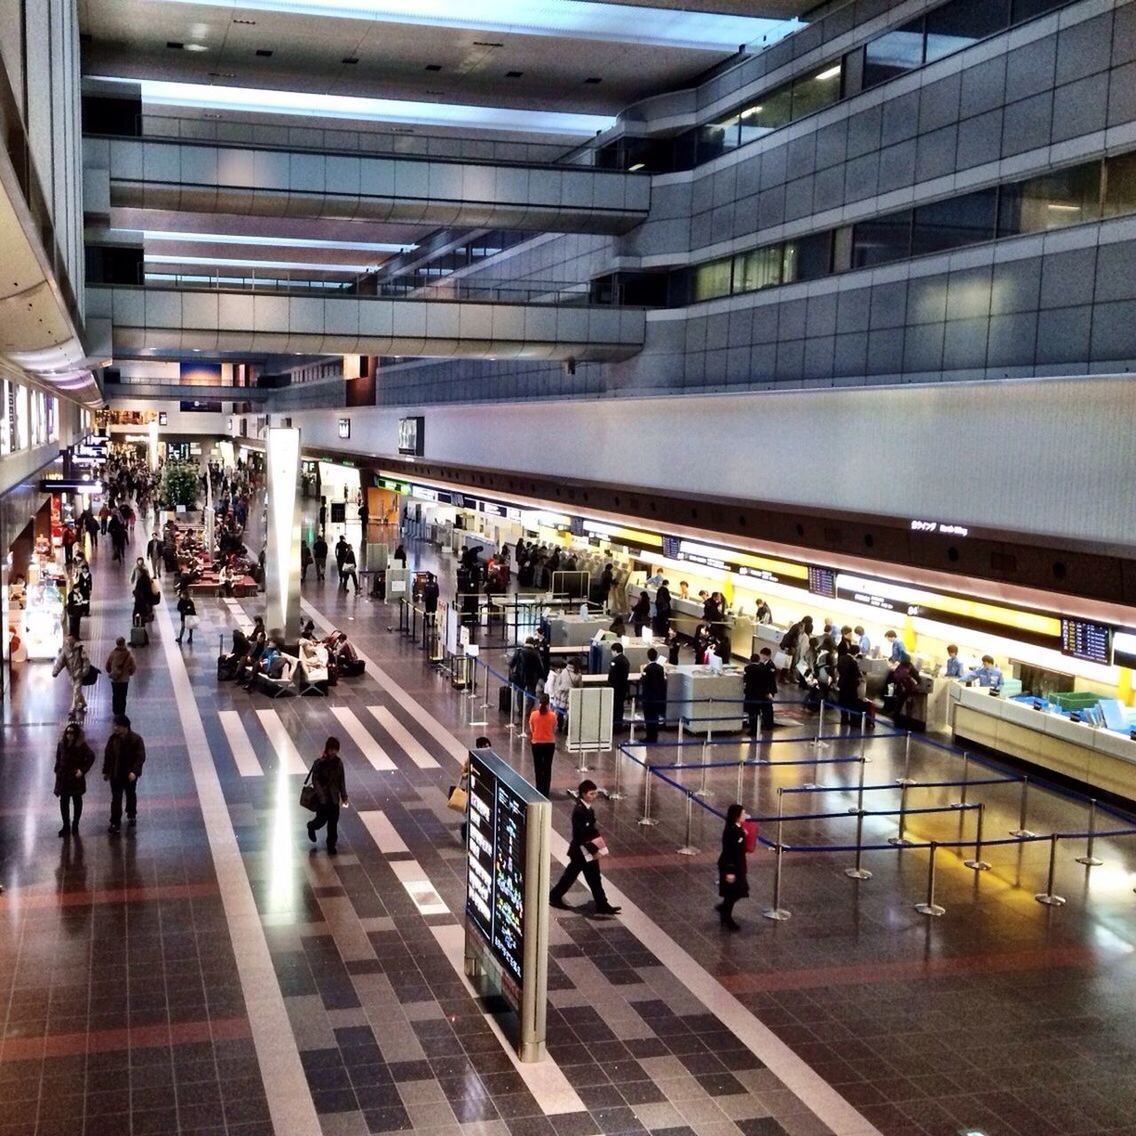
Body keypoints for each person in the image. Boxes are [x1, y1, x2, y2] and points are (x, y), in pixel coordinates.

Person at [548, 780, 620, 915]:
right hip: (581, 851)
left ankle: (602, 904)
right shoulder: (580, 811)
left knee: (591, 878)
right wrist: (596, 850)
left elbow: (591, 831)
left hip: (585, 851)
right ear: (583, 794)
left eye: (595, 793)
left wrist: (599, 847)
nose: (594, 796)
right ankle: (555, 896)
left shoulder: (587, 809)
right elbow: (583, 834)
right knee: (574, 876)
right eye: (591, 793)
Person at [103, 714, 147, 833]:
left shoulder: (136, 739)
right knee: (116, 799)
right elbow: (108, 755)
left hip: (129, 775)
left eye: (118, 726)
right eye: (115, 725)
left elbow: (140, 757)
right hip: (116, 774)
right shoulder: (113, 739)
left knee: (130, 794)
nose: (115, 728)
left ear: (126, 726)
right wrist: (106, 771)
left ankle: (131, 814)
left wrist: (134, 772)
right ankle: (115, 822)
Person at [306, 737, 348, 854]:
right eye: (332, 749)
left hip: (334, 799)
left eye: (336, 749)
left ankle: (331, 844)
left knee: (333, 823)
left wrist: (344, 796)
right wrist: (321, 796)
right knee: (321, 821)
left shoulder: (339, 763)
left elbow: (341, 780)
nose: (334, 752)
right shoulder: (320, 763)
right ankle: (311, 826)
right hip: (323, 799)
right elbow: (315, 780)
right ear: (327, 749)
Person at [54, 722, 95, 837]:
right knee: (64, 802)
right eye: (67, 732)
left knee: (77, 801)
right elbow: (58, 757)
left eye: (72, 733)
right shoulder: (61, 744)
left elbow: (91, 756)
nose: (69, 735)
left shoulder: (81, 746)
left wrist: (82, 770)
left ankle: (75, 824)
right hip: (64, 778)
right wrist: (57, 769)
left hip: (75, 778)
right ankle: (66, 825)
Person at [715, 803, 749, 931]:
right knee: (733, 892)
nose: (745, 815)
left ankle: (724, 909)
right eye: (743, 813)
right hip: (732, 867)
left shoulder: (736, 828)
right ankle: (727, 916)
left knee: (738, 891)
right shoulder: (732, 831)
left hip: (738, 866)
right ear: (736, 816)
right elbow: (729, 851)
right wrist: (729, 871)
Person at [52, 636, 90, 719]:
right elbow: (60, 662)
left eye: (69, 641)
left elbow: (86, 661)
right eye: (67, 642)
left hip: (79, 674)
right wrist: (55, 671)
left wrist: (84, 671)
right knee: (77, 690)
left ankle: (73, 708)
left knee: (76, 690)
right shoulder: (65, 651)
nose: (68, 643)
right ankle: (82, 703)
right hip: (71, 676)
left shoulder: (80, 649)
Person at [836, 643, 873, 728]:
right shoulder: (853, 662)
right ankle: (853, 721)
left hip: (842, 683)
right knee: (852, 703)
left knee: (843, 702)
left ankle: (844, 719)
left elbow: (839, 669)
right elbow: (857, 675)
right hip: (851, 686)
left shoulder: (841, 658)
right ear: (856, 653)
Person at [743, 648, 778, 735]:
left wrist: (769, 692)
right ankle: (766, 724)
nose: (762, 657)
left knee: (763, 709)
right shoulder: (762, 666)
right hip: (763, 691)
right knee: (765, 708)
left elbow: (770, 679)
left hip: (762, 691)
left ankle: (766, 725)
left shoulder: (770, 666)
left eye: (763, 655)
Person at [528, 693, 557, 797]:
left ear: (539, 702)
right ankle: (546, 791)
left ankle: (539, 789)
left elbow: (532, 729)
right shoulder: (553, 715)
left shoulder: (534, 715)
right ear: (548, 704)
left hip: (537, 743)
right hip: (549, 744)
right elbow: (554, 729)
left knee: (538, 767)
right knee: (547, 767)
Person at [105, 636, 137, 716]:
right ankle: (121, 712)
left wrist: (111, 672)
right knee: (123, 696)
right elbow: (133, 667)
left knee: (115, 695)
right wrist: (129, 673)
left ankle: (115, 711)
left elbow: (107, 665)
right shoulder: (128, 654)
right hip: (124, 679)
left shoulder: (112, 653)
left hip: (115, 679)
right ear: (124, 643)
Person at [641, 647, 667, 743]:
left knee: (648, 718)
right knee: (655, 717)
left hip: (648, 698)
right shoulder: (660, 668)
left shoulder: (646, 669)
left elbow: (644, 682)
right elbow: (662, 682)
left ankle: (649, 737)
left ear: (648, 657)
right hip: (657, 697)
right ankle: (655, 736)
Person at [607, 641, 630, 731]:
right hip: (623, 687)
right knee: (620, 707)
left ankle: (615, 726)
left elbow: (611, 675)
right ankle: (619, 726)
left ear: (615, 651)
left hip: (616, 687)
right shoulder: (626, 660)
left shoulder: (615, 661)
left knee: (615, 707)